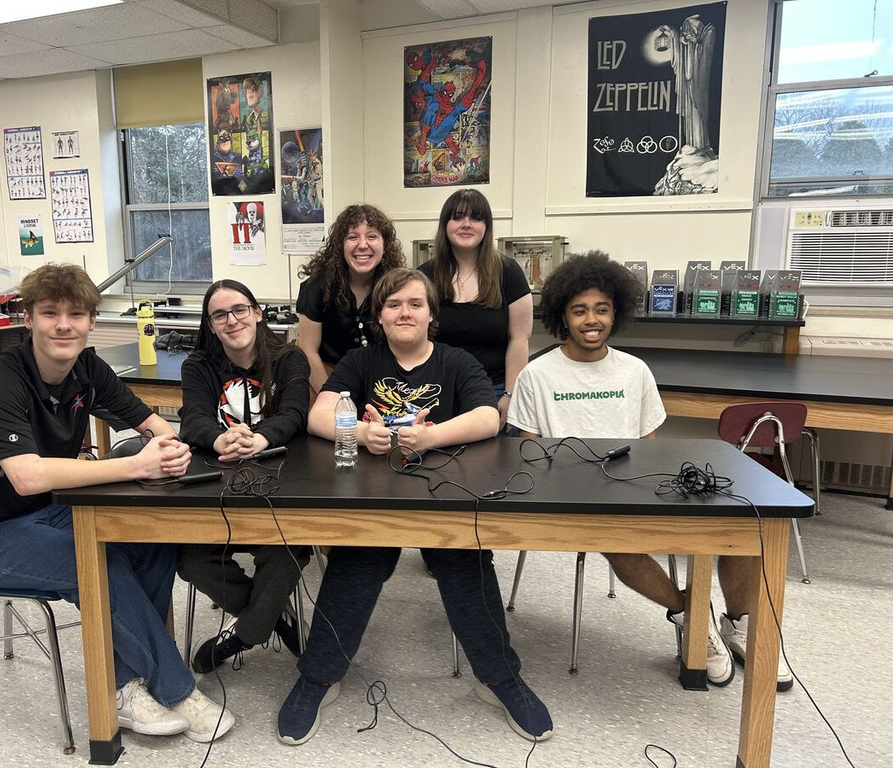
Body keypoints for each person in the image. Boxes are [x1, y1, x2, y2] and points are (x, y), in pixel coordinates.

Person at [0, 264, 235, 743]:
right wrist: (137, 466)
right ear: (27, 319)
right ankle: (177, 691)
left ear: (92, 321)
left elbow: (151, 422)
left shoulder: (87, 369)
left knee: (150, 542)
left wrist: (168, 447)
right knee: (98, 563)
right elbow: (28, 476)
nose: (63, 325)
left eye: (76, 313)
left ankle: (123, 686)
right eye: (50, 313)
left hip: (42, 515)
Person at [277, 267, 553, 746]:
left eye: (415, 304)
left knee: (466, 565)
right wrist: (361, 432)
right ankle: (318, 677)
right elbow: (320, 413)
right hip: (373, 504)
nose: (404, 312)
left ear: (431, 314)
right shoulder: (362, 363)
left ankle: (500, 678)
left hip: (441, 502)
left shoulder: (456, 361)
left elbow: (489, 416)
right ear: (379, 317)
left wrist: (430, 437)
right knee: (354, 566)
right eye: (393, 305)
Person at [507, 251, 792, 691]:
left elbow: (650, 446)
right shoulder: (538, 375)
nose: (591, 320)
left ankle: (739, 622)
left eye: (602, 309)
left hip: (634, 488)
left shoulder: (634, 371)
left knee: (739, 523)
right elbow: (528, 451)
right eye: (579, 310)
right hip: (571, 499)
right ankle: (693, 618)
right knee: (620, 544)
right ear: (563, 314)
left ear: (615, 312)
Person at [176, 279, 312, 672]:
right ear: (211, 324)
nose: (231, 320)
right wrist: (220, 440)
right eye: (220, 315)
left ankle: (245, 633)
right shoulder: (198, 366)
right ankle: (274, 618)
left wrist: (261, 438)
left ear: (256, 313)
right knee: (191, 560)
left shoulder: (290, 358)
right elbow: (194, 418)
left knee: (285, 551)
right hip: (219, 486)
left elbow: (295, 413)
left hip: (283, 483)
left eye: (239, 309)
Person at [419, 189, 532, 433]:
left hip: (495, 389)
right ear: (445, 225)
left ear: (486, 226)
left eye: (476, 218)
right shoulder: (424, 276)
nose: (466, 224)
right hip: (437, 390)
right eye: (457, 217)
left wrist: (510, 395)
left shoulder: (508, 272)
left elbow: (519, 339)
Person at [296, 204, 405, 394]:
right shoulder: (316, 287)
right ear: (340, 246)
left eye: (372, 236)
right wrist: (333, 399)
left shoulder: (398, 287)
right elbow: (307, 350)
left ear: (385, 245)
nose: (362, 245)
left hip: (384, 380)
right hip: (324, 377)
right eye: (353, 237)